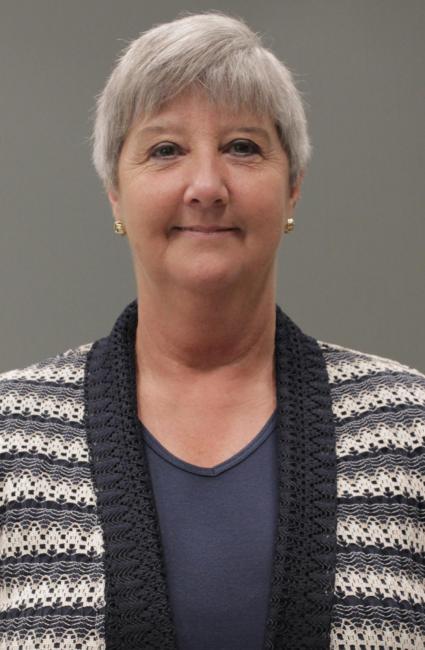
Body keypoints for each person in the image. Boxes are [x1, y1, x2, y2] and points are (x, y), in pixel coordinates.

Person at [0, 11, 423, 650]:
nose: (206, 185)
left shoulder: (407, 430)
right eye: (165, 149)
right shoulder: (13, 434)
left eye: (243, 147)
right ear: (115, 191)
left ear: (294, 190)